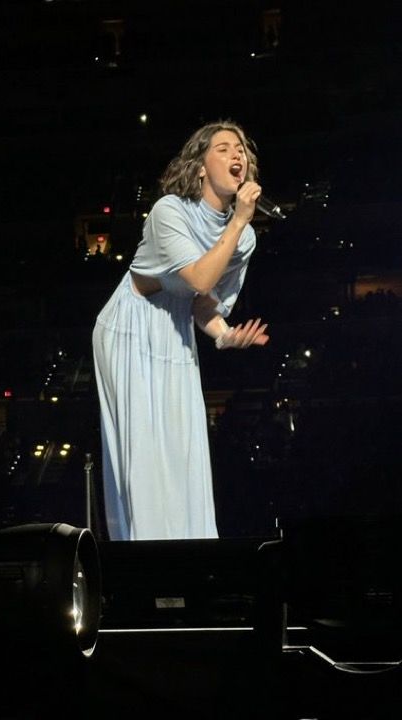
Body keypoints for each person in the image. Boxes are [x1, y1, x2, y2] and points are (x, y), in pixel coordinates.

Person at [92, 119, 269, 541]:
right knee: (146, 459)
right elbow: (198, 279)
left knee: (185, 451)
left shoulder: (242, 239)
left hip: (175, 331)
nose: (237, 155)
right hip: (130, 328)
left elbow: (201, 303)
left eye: (242, 148)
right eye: (224, 148)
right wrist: (239, 221)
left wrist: (224, 334)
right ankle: (143, 567)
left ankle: (189, 562)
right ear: (201, 166)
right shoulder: (169, 211)